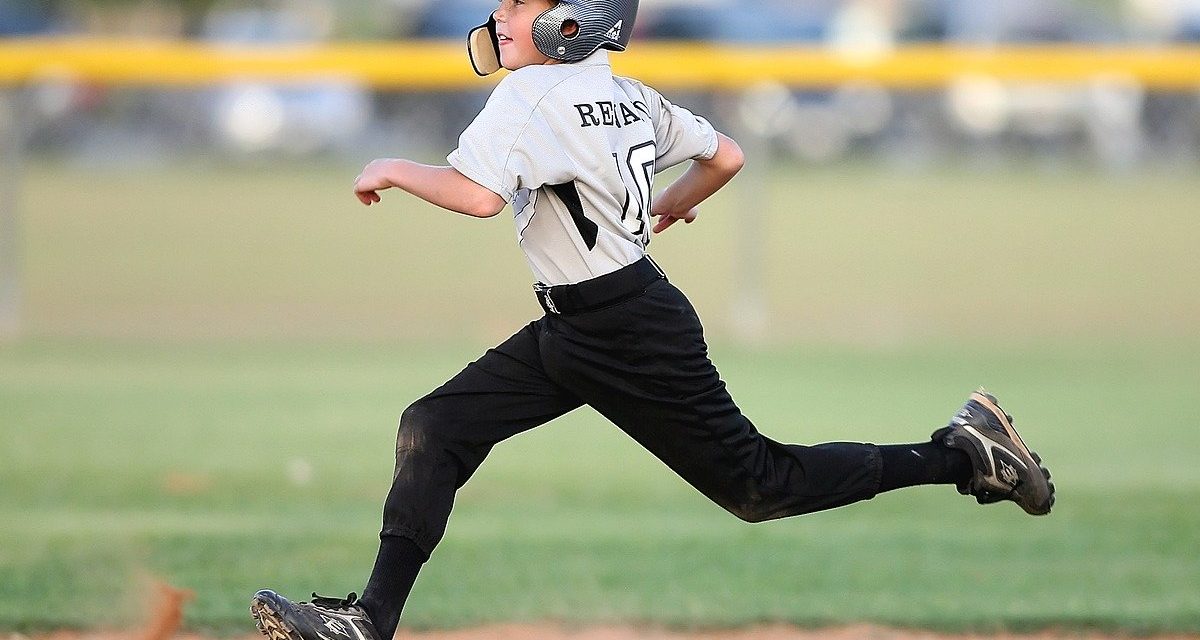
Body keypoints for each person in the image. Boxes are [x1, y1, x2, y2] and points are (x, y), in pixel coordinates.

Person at [249, 2, 1055, 639]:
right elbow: (726, 155)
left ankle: (961, 452)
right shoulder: (624, 90)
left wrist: (391, 167)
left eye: (520, 0)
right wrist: (669, 204)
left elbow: (479, 196)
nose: (498, 14)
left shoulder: (530, 92)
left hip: (624, 333)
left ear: (580, 13)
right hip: (592, 322)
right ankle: (369, 623)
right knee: (435, 426)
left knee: (759, 486)